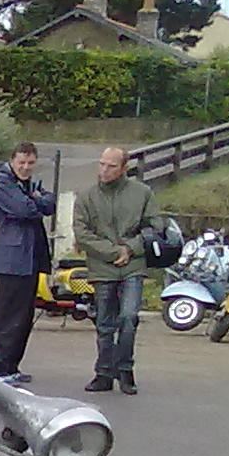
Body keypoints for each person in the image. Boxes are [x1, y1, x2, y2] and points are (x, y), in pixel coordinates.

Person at [75, 145, 162, 395]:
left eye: (111, 165)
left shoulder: (142, 193)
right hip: (102, 266)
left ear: (124, 168)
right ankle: (103, 372)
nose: (104, 170)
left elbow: (155, 226)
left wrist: (131, 248)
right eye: (102, 164)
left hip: (133, 266)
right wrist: (115, 252)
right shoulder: (87, 196)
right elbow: (82, 232)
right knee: (104, 323)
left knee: (128, 317)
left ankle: (125, 369)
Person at [0, 142, 54, 385]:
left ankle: (11, 365)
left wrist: (37, 200)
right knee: (4, 314)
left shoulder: (26, 184)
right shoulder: (2, 183)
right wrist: (36, 201)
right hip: (11, 258)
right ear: (12, 161)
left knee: (23, 316)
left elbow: (50, 204)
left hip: (30, 257)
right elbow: (24, 209)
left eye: (30, 163)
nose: (25, 167)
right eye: (21, 162)